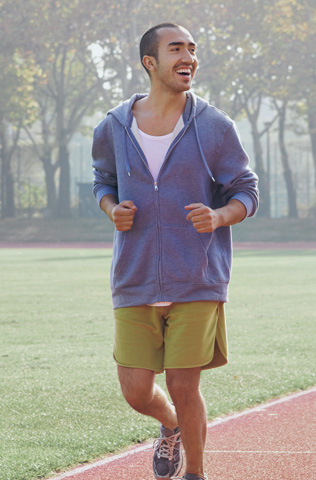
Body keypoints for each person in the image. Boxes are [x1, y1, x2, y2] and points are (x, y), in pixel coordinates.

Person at [90, 22, 259, 480]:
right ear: (150, 62)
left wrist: (220, 216)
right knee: (136, 391)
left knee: (184, 385)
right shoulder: (113, 126)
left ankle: (196, 473)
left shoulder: (213, 126)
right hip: (135, 275)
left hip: (196, 275)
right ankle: (169, 426)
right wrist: (110, 208)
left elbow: (246, 190)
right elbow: (102, 180)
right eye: (176, 49)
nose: (188, 58)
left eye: (192, 49)